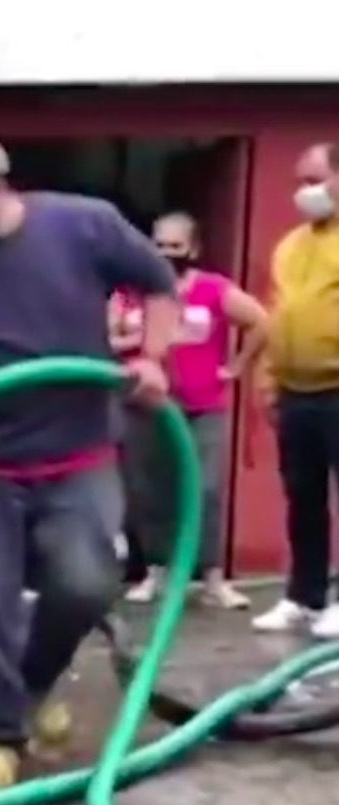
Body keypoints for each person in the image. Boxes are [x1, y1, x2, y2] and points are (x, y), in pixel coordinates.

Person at [0, 131, 179, 793]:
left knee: (87, 580)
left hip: (78, 449)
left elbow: (160, 286)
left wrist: (152, 359)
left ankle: (33, 685)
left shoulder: (83, 227)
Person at [111, 211, 266, 609]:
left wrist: (235, 367)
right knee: (148, 490)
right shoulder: (130, 290)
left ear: (194, 249)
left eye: (175, 246)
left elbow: (260, 322)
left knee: (207, 489)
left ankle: (211, 577)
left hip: (202, 406)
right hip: (145, 405)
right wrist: (137, 338)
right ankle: (155, 572)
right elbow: (103, 336)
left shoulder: (213, 289)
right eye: (159, 244)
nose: (166, 253)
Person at [249, 142, 339, 636]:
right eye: (300, 182)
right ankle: (303, 597)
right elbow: (277, 311)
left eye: (315, 180)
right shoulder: (291, 243)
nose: (305, 193)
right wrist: (269, 380)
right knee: (302, 496)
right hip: (297, 390)